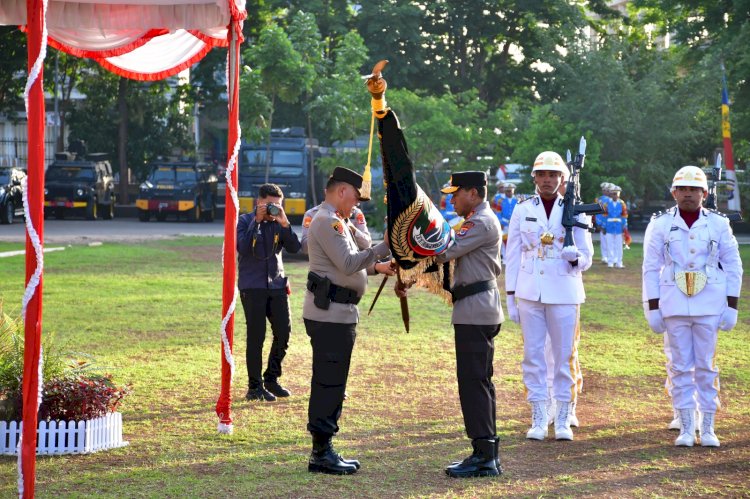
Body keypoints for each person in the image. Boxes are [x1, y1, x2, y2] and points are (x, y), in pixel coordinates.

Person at [642, 165, 742, 447]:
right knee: (680, 367)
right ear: (673, 192)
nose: (688, 194)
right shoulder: (660, 224)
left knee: (706, 366)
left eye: (694, 189)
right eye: (682, 189)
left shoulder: (719, 224)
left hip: (709, 302)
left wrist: (731, 305)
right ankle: (687, 427)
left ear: (705, 193)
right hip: (674, 302)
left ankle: (707, 427)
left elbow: (733, 265)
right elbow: (650, 267)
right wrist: (653, 307)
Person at [303, 166, 393, 474]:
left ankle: (324, 447)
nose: (355, 204)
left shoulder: (338, 220)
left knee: (333, 382)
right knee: (328, 382)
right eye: (354, 197)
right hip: (330, 315)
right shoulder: (328, 221)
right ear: (342, 191)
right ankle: (320, 452)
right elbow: (348, 262)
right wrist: (388, 246)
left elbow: (356, 263)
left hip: (339, 313)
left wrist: (379, 261)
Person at [505, 151, 594, 442]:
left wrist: (574, 258)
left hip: (565, 290)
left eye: (553, 175)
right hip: (530, 290)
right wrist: (511, 295)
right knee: (533, 356)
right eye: (541, 175)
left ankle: (564, 417)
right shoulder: (522, 208)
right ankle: (539, 416)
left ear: (562, 178)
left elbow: (587, 256)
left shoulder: (576, 209)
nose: (547, 180)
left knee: (564, 356)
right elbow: (514, 252)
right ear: (534, 178)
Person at [420, 171, 504, 478]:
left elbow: (444, 251)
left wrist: (410, 243)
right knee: (477, 382)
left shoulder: (479, 222)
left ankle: (485, 456)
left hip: (476, 311)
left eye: (456, 194)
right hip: (475, 309)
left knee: (474, 383)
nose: (451, 199)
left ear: (473, 192)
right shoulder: (478, 220)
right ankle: (485, 451)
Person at [237, 183, 301, 402]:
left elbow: (294, 247)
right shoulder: (245, 221)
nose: (273, 209)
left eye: (278, 205)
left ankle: (271, 378)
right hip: (252, 286)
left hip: (276, 285)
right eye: (270, 205)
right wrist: (256, 220)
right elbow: (242, 248)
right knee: (256, 337)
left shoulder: (279, 223)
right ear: (259, 202)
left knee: (284, 332)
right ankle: (254, 387)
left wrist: (284, 221)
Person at [603, 185, 628, 268]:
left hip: (619, 227)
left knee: (619, 245)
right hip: (609, 226)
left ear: (619, 194)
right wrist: (603, 226)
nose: (615, 195)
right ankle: (610, 262)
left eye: (616, 194)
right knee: (609, 244)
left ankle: (619, 262)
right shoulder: (607, 204)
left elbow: (624, 216)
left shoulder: (622, 204)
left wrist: (624, 226)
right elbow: (604, 216)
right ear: (611, 194)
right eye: (613, 194)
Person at [595, 183, 612, 264]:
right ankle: (605, 257)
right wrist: (599, 224)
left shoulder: (611, 200)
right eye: (604, 190)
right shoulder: (599, 200)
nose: (606, 192)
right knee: (605, 241)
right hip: (604, 223)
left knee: (608, 241)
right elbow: (598, 213)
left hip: (609, 223)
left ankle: (608, 257)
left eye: (607, 190)